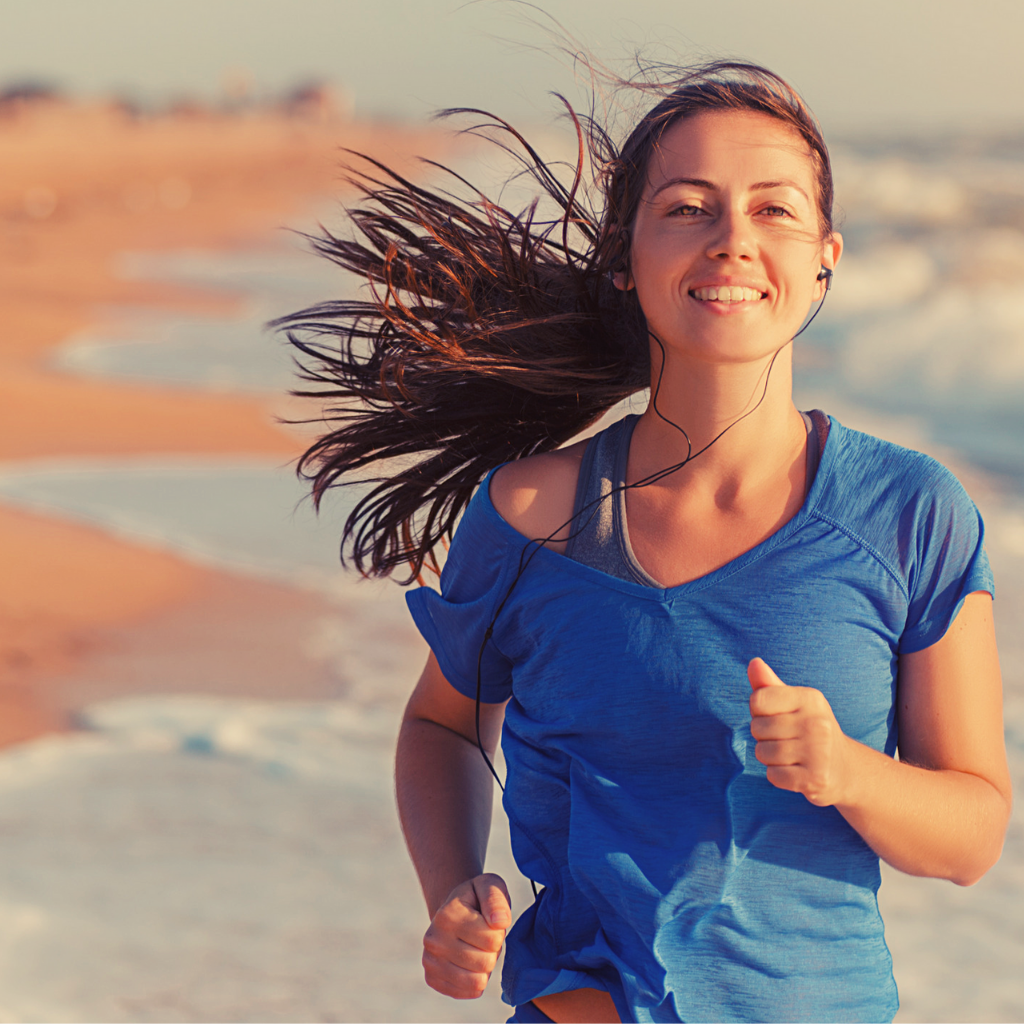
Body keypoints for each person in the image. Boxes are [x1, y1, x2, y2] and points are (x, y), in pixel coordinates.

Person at [279, 61, 1011, 1024]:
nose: (733, 241)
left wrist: (849, 772)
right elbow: (443, 725)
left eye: (773, 210)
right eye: (688, 207)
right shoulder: (531, 513)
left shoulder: (910, 513)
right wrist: (451, 887)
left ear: (826, 255)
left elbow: (971, 836)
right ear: (627, 256)